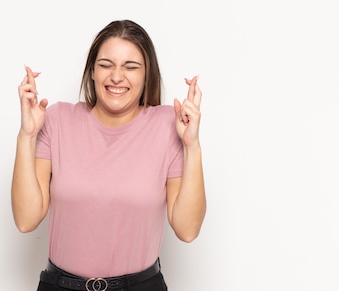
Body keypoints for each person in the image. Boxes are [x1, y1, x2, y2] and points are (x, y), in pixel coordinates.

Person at [12, 19, 206, 291]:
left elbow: (187, 230)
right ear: (92, 71)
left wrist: (192, 145)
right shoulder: (57, 120)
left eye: (131, 66)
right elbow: (26, 219)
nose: (116, 76)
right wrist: (27, 135)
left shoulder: (167, 125)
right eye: (106, 65)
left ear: (146, 73)